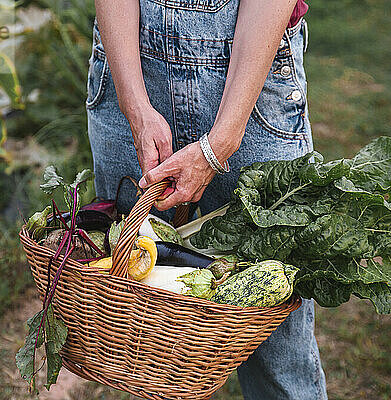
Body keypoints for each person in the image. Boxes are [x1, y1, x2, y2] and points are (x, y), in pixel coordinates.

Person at [86, 0, 327, 398]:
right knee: (139, 326)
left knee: (276, 345)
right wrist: (136, 108)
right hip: (130, 59)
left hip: (252, 69)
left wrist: (221, 142)